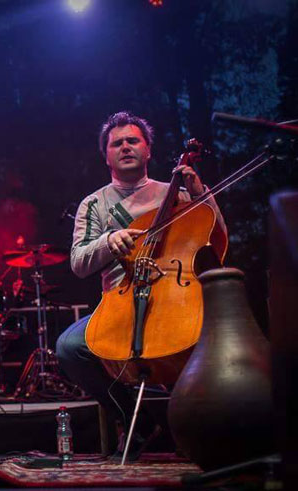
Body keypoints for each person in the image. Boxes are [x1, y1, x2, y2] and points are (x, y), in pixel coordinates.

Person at [55, 111, 226, 461]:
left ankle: (196, 427)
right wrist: (108, 241)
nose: (125, 147)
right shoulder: (94, 204)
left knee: (205, 336)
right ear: (106, 156)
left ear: (148, 150)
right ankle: (137, 418)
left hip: (173, 299)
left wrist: (202, 194)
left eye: (133, 140)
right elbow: (78, 263)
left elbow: (219, 241)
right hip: (119, 306)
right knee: (70, 348)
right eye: (116, 143)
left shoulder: (178, 195)